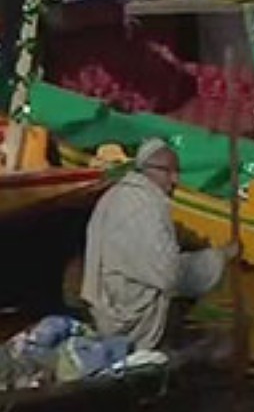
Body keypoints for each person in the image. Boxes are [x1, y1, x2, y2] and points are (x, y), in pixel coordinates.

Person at [80, 139, 236, 351]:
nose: (175, 180)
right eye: (168, 172)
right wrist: (219, 258)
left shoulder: (117, 194)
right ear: (147, 169)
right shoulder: (145, 208)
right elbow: (168, 275)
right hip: (127, 318)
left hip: (105, 307)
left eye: (177, 172)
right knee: (220, 341)